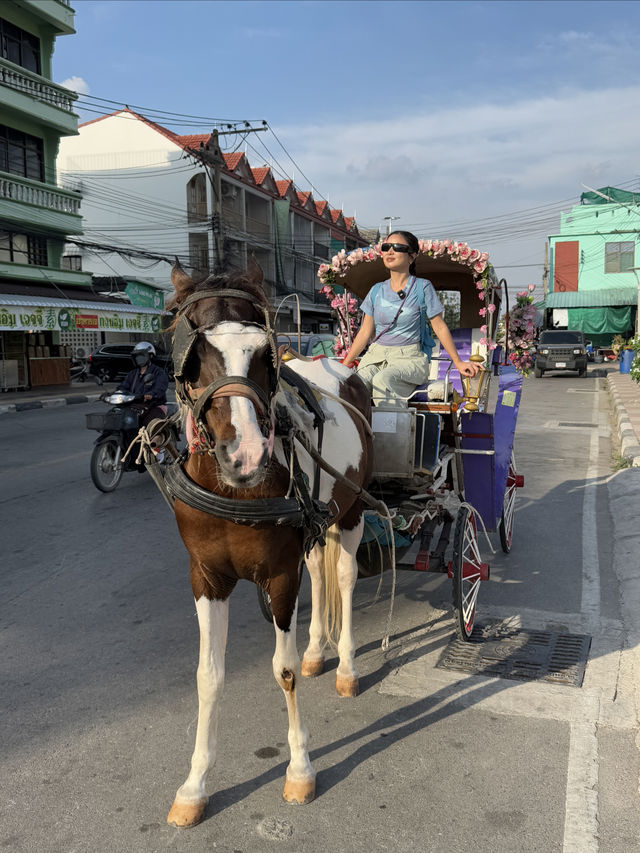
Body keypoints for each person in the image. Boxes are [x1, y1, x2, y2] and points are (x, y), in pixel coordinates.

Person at [342, 230, 481, 406]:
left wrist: (458, 362)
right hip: (375, 357)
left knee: (383, 380)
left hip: (409, 360)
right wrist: (345, 364)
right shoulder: (376, 290)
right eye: (386, 247)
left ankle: (391, 432)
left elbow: (439, 327)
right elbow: (365, 332)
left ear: (412, 257)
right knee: (353, 385)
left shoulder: (422, 288)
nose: (390, 251)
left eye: (398, 247)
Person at [116, 341, 169, 428]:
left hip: (153, 406)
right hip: (134, 406)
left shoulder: (159, 372)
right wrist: (116, 394)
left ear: (150, 356)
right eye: (136, 356)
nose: (138, 358)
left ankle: (152, 441)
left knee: (149, 427)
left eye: (141, 355)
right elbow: (123, 386)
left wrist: (151, 394)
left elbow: (161, 387)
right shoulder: (132, 374)